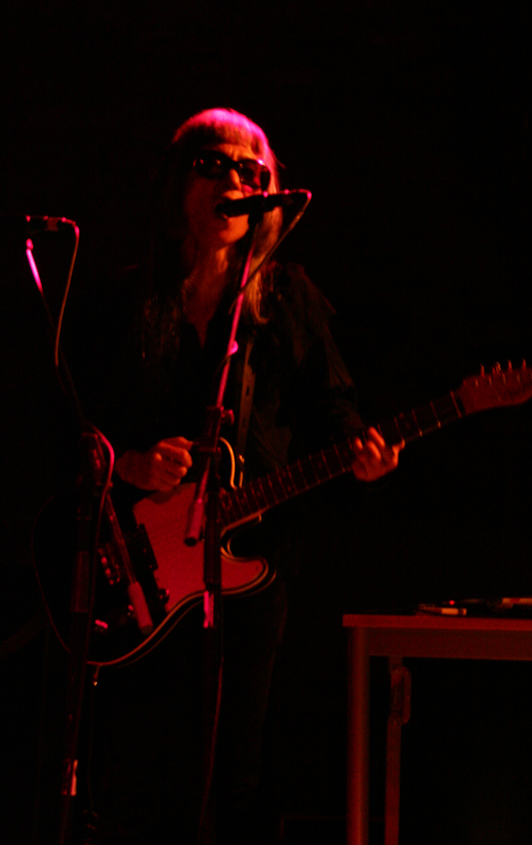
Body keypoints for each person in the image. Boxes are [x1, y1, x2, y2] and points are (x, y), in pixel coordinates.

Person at [83, 108, 401, 844]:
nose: (233, 180)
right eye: (213, 165)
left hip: (252, 564)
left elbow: (332, 405)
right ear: (178, 184)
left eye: (251, 172)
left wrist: (362, 451)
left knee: (235, 769)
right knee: (141, 767)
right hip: (141, 567)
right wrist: (130, 463)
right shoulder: (127, 299)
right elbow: (75, 424)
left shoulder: (286, 296)